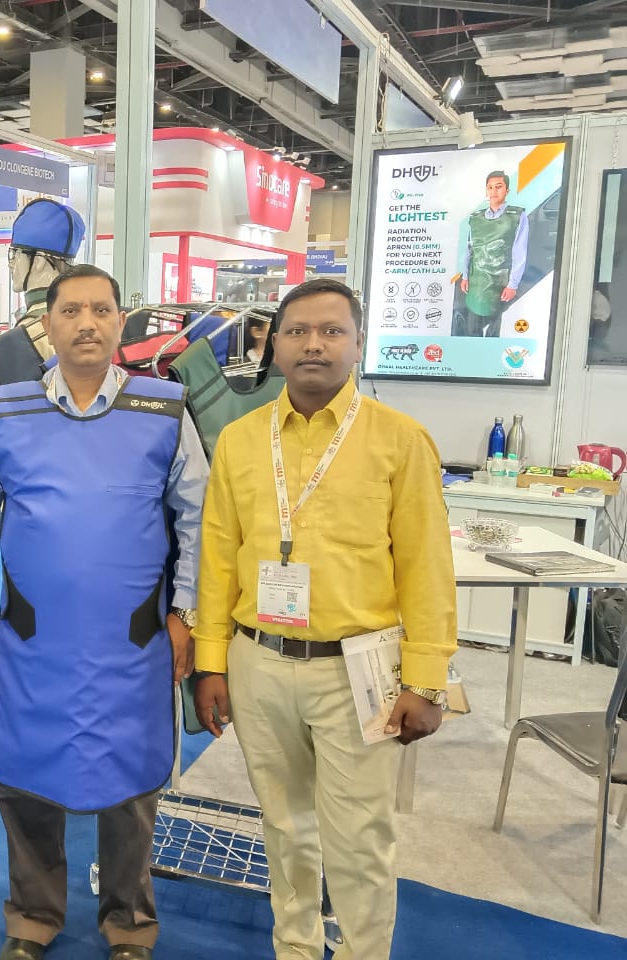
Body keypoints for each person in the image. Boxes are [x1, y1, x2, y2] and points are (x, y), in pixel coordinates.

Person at [0, 264, 209, 960]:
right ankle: (32, 918)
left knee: (131, 785)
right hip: (31, 639)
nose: (87, 323)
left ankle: (129, 923)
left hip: (135, 641)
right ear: (48, 325)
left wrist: (185, 611)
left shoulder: (163, 410)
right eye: (71, 311)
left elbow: (200, 518)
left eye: (101, 310)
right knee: (26, 778)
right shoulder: (10, 410)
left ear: (120, 322)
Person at [192, 277, 457, 960]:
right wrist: (211, 661)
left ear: (358, 344)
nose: (314, 343)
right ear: (273, 346)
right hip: (258, 662)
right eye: (298, 331)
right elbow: (217, 558)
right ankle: (297, 949)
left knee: (359, 839)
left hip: (358, 670)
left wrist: (426, 679)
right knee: (284, 828)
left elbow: (426, 567)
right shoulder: (240, 440)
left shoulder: (401, 440)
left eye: (332, 331)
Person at [0, 199, 85, 385]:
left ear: (39, 261)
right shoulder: (92, 319)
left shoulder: (26, 333)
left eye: (15, 253)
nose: (11, 263)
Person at [456, 170, 530, 338]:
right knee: (472, 328)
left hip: (500, 283)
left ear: (507, 190)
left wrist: (513, 284)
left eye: (498, 187)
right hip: (476, 282)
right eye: (490, 187)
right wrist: (465, 276)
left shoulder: (517, 217)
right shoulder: (475, 218)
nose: (494, 191)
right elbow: (469, 249)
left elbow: (519, 253)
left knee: (495, 329)